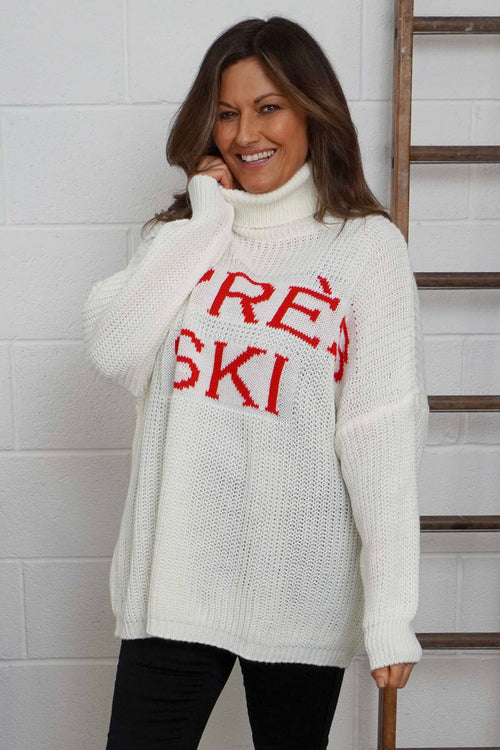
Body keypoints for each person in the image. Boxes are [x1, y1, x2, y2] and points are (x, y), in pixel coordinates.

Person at [82, 14, 429, 750]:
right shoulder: (180, 237)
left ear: (311, 110)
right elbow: (114, 350)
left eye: (268, 107)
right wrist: (208, 217)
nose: (246, 135)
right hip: (175, 579)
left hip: (300, 590)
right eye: (227, 114)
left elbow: (380, 434)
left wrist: (391, 610)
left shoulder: (365, 247)